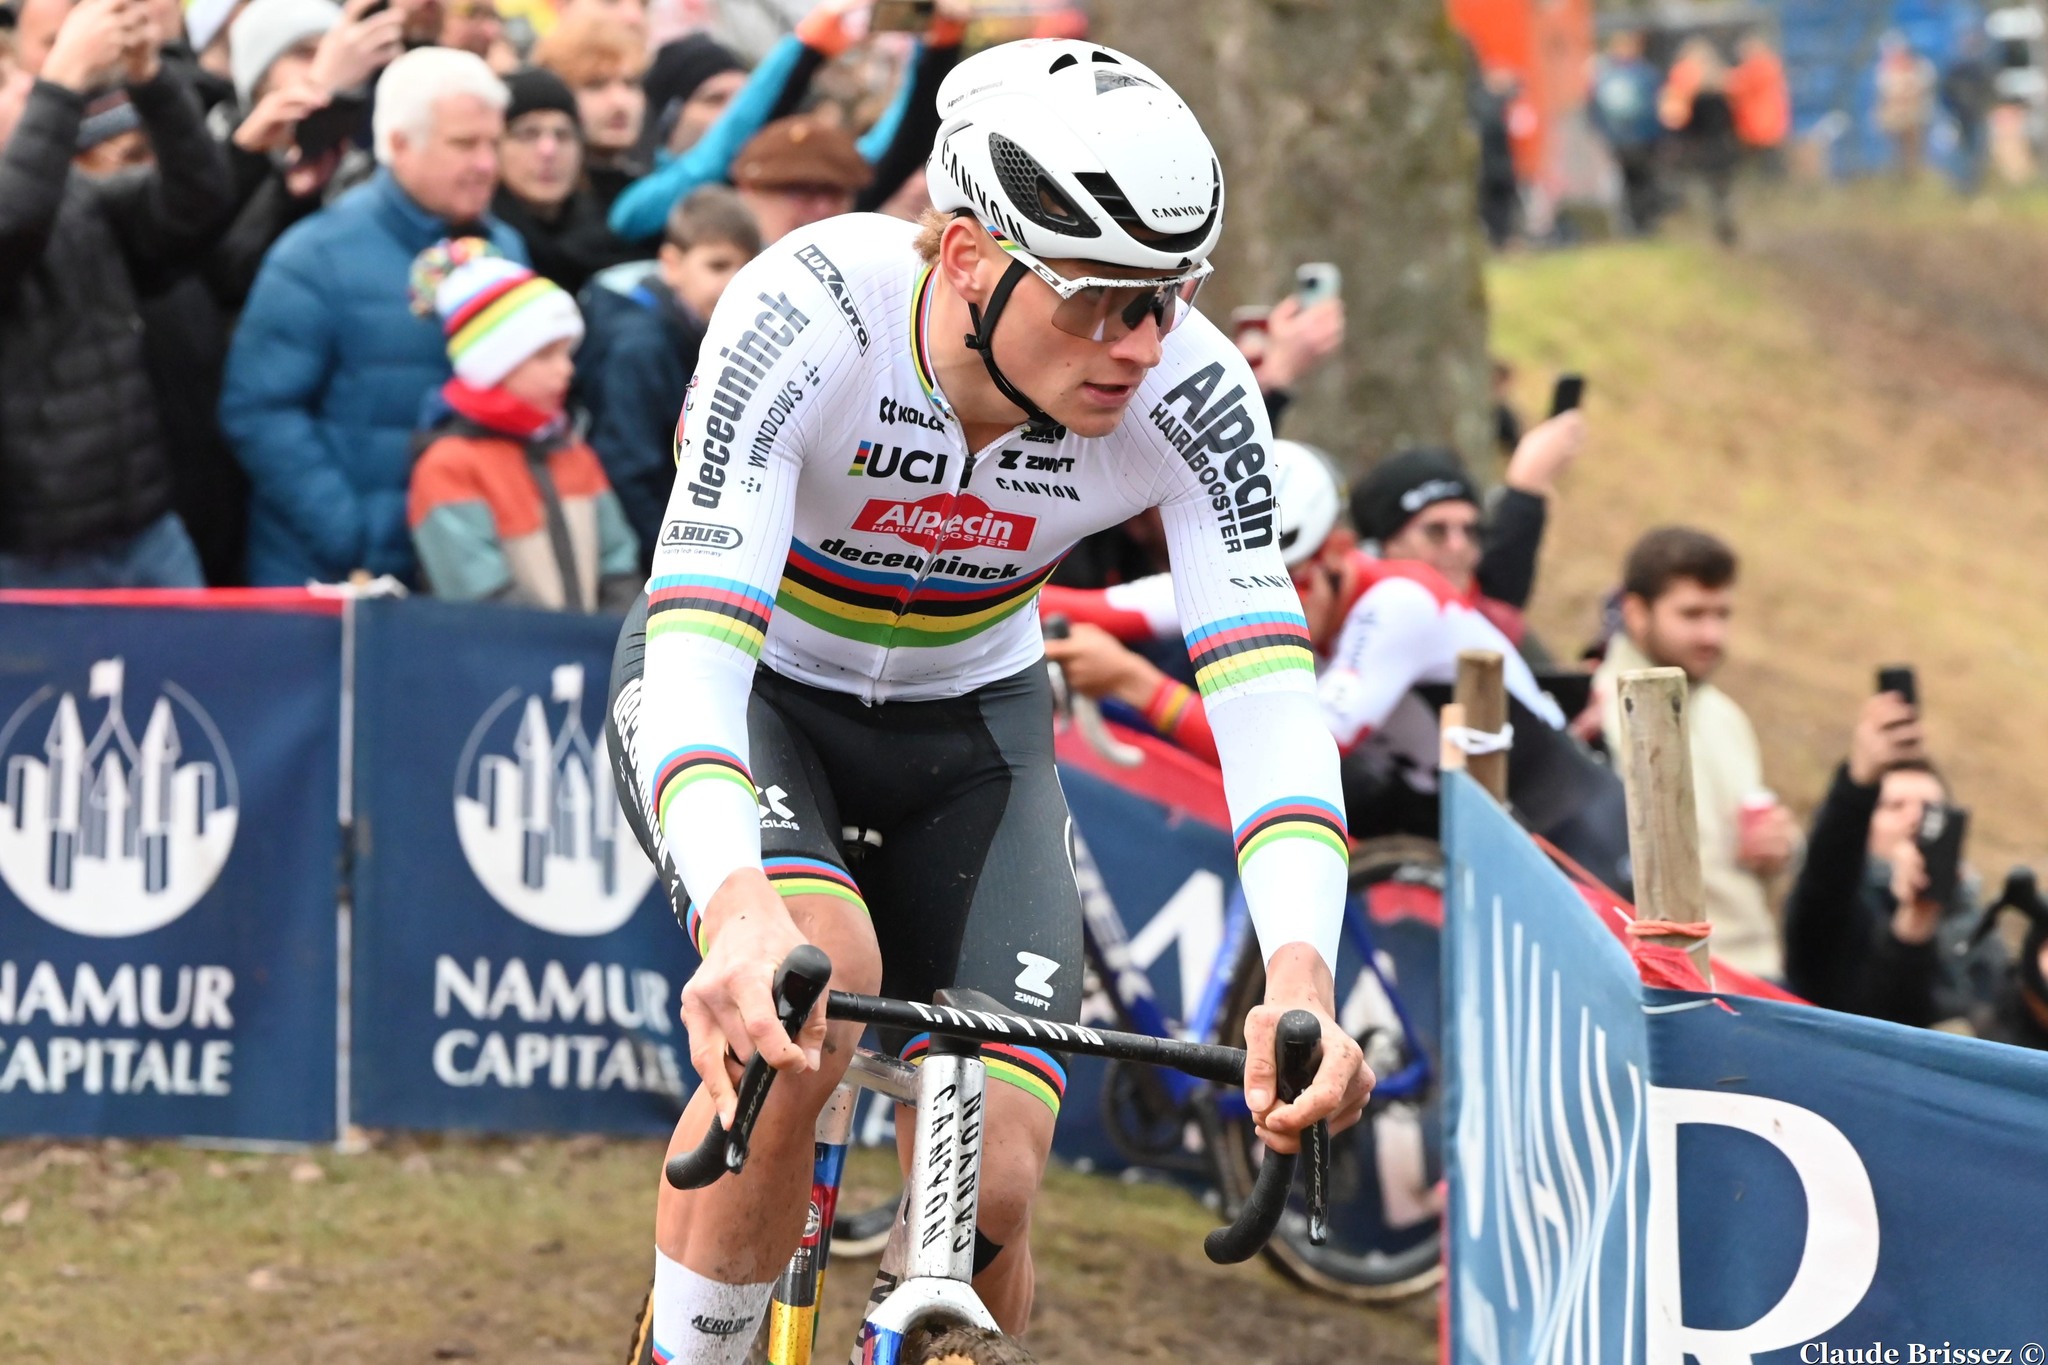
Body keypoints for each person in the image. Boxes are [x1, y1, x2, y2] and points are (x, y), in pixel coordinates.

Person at [605, 40, 1368, 1363]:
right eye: (1095, 300)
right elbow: (701, 643)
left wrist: (1301, 963)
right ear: (963, 257)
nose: (1137, 343)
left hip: (973, 729)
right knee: (812, 988)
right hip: (759, 697)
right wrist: (736, 911)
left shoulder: (1190, 392)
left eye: (1169, 297)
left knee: (998, 1185)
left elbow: (1265, 694)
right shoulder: (808, 310)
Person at [220, 46, 524, 587]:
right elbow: (259, 410)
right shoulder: (315, 255)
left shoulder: (505, 250)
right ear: (399, 144)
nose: (486, 165)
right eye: (464, 144)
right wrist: (355, 534)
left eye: (493, 144)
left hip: (470, 568)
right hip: (333, 577)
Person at [0, 0, 232, 589]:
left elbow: (197, 200)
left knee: (195, 680)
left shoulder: (73, 193)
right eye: (6, 84)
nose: (23, 89)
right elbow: (12, 227)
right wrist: (63, 81)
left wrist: (150, 77)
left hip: (146, 530)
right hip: (31, 557)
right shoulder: (29, 199)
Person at [1592, 527, 1799, 979]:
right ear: (1635, 612)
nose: (1712, 634)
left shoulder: (1727, 716)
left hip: (1757, 974)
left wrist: (1780, 848)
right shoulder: (1598, 714)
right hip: (1678, 980)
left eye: (1721, 614)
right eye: (1692, 614)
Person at [605, 0, 963, 244]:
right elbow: (718, 158)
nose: (821, 209)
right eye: (714, 100)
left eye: (831, 194)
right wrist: (806, 50)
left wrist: (938, 48)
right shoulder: (643, 208)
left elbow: (897, 148)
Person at [406, 239, 639, 610]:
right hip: (501, 660)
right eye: (545, 355)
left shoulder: (574, 452)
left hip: (588, 660)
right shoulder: (448, 465)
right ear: (494, 362)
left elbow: (618, 563)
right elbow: (478, 594)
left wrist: (612, 641)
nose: (566, 369)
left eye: (566, 352)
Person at [1781, 690, 2007, 1029]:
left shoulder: (1977, 927)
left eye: (1930, 808)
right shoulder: (1841, 912)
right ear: (1864, 824)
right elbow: (1827, 876)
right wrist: (1859, 783)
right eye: (1894, 806)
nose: (1915, 818)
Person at [582, 184, 757, 566]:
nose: (734, 283)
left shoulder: (707, 333)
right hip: (659, 557)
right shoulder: (640, 348)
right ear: (672, 264)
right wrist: (675, 560)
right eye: (717, 266)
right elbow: (631, 467)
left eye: (746, 268)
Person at [1348, 413, 1586, 651]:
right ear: (1384, 547)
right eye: (1436, 531)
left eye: (1471, 530)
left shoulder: (1501, 628)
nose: (1458, 545)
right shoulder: (1351, 638)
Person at [492, 64, 638, 290]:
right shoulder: (487, 247)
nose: (548, 150)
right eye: (528, 134)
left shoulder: (609, 234)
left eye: (563, 135)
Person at [532, 7, 643, 210]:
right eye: (596, 85)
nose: (620, 101)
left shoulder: (645, 189)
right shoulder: (546, 207)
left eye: (630, 83)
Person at [1662, 38, 1740, 246]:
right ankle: (1725, 224)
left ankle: (1718, 226)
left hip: (1704, 149)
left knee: (1705, 191)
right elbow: (1732, 122)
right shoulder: (1724, 96)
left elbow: (1687, 125)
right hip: (1723, 148)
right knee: (1722, 191)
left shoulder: (1697, 99)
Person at [1590, 29, 1665, 234]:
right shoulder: (1606, 75)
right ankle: (1633, 224)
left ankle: (1647, 223)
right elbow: (1596, 109)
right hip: (1620, 140)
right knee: (1627, 183)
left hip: (1643, 138)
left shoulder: (1645, 74)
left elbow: (1657, 107)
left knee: (1645, 181)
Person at [1940, 32, 1997, 197]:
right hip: (1959, 118)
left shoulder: (1982, 69)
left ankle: (1974, 188)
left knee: (1977, 153)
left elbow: (1990, 91)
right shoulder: (1956, 70)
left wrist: (1983, 109)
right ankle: (1960, 188)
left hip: (1977, 117)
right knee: (1961, 154)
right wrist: (1953, 111)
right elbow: (1946, 92)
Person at [1875, 31, 1935, 181]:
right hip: (1895, 116)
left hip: (1916, 115)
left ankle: (1914, 175)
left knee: (1913, 144)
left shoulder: (1921, 66)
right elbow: (1887, 96)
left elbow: (1919, 93)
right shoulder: (1883, 70)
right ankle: (1896, 174)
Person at [1727, 32, 1789, 169]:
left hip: (1761, 128)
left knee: (1767, 169)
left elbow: (1734, 85)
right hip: (1760, 127)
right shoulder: (1766, 64)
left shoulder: (1761, 65)